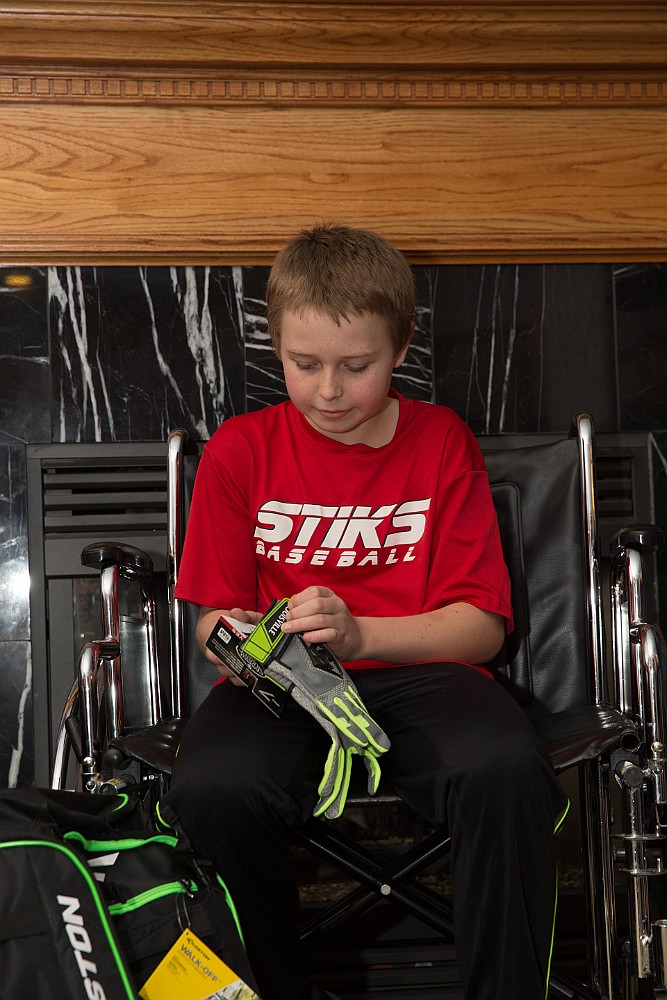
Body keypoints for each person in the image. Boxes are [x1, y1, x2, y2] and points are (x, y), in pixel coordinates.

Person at [161, 222, 568, 1000]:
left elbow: (481, 629)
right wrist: (241, 648)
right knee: (211, 788)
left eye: (356, 367)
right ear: (275, 346)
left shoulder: (439, 440)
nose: (327, 391)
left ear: (402, 346)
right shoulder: (241, 449)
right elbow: (212, 620)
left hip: (422, 671)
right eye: (302, 364)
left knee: (504, 769)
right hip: (283, 689)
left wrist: (360, 633)